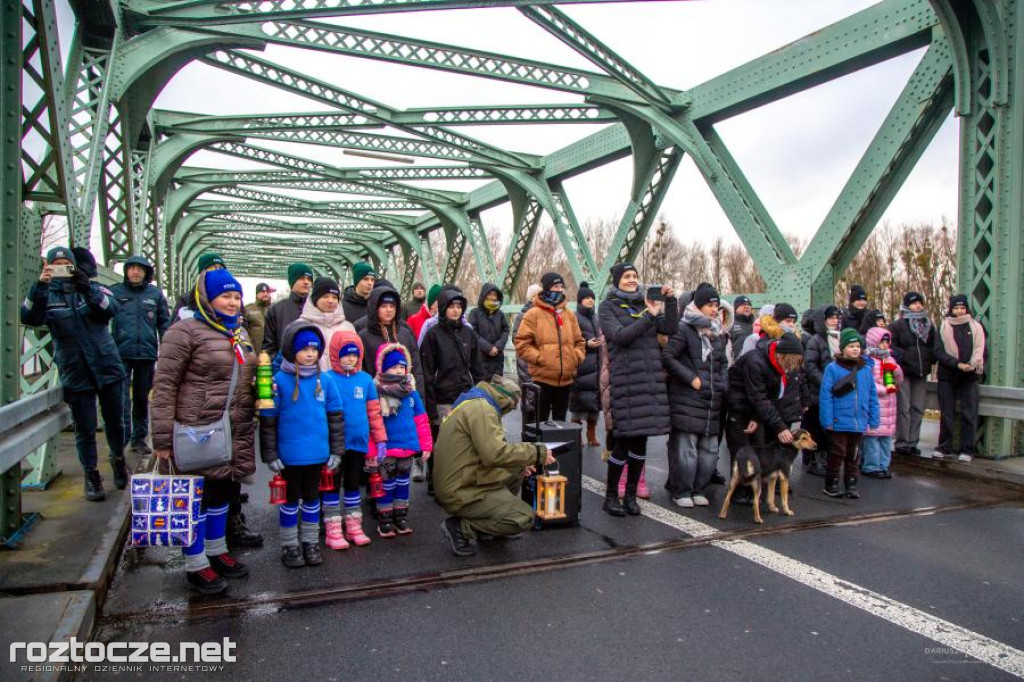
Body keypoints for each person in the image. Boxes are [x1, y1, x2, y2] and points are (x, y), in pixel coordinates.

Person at [150, 268, 256, 594]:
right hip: (196, 430)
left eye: (237, 296)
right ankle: (196, 565)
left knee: (222, 492)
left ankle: (216, 551)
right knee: (196, 498)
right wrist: (163, 440)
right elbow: (164, 387)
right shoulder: (184, 332)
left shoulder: (237, 333)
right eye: (225, 296)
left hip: (231, 429)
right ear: (207, 299)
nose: (233, 302)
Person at [21, 247, 127, 501]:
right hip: (75, 370)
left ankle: (119, 458)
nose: (61, 268)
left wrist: (85, 286)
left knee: (115, 421)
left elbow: (110, 309)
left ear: (75, 266)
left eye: (66, 263)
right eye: (56, 264)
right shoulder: (46, 294)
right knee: (85, 428)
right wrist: (40, 285)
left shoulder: (94, 288)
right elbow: (29, 318)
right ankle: (91, 475)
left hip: (107, 367)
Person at [434, 375, 557, 556]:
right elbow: (494, 453)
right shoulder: (482, 410)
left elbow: (488, 452)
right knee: (523, 518)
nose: (510, 411)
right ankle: (461, 527)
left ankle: (491, 524)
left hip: (459, 480)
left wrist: (522, 461)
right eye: (512, 406)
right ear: (506, 400)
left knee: (517, 466)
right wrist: (537, 453)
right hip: (459, 491)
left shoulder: (474, 402)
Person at [260, 321, 345, 569]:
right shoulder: (279, 380)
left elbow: (336, 417)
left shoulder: (325, 380)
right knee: (289, 502)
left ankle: (310, 542)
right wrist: (270, 454)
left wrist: (336, 451)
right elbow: (268, 420)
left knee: (311, 500)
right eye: (304, 349)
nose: (310, 354)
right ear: (290, 349)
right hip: (289, 456)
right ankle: (289, 544)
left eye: (315, 349)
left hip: (317, 454)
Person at [599, 262, 677, 517]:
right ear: (617, 280)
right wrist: (649, 316)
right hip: (626, 381)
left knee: (640, 443)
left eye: (634, 276)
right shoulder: (607, 307)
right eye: (627, 276)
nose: (632, 280)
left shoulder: (647, 305)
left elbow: (670, 329)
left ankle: (631, 495)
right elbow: (620, 336)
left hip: (649, 380)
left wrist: (671, 302)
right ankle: (611, 496)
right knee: (622, 441)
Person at [663, 285, 729, 508]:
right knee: (686, 447)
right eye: (710, 305)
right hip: (688, 398)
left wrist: (721, 384)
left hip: (711, 400)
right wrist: (691, 378)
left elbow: (723, 363)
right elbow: (669, 357)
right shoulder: (684, 329)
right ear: (698, 306)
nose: (714, 310)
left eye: (716, 306)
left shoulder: (718, 333)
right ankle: (682, 490)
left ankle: (699, 489)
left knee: (709, 449)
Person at [325, 331, 387, 548]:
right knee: (331, 486)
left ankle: (353, 526)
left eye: (354, 354)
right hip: (333, 445)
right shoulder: (327, 379)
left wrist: (380, 440)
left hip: (358, 444)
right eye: (345, 354)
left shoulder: (366, 380)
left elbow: (374, 412)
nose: (350, 359)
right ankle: (333, 529)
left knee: (353, 485)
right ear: (335, 354)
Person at [420, 288, 486, 490]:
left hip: (464, 394)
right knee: (440, 441)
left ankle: (458, 479)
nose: (456, 310)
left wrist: (481, 392)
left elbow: (477, 366)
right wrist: (430, 407)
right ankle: (435, 479)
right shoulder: (433, 335)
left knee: (463, 440)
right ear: (443, 308)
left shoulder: (469, 333)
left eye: (459, 307)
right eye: (451, 306)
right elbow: (427, 373)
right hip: (442, 396)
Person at [110, 255, 170, 455]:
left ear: (146, 273)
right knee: (121, 399)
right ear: (126, 271)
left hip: (146, 354)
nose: (135, 272)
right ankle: (122, 437)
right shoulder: (115, 292)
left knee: (142, 399)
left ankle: (139, 438)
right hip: (120, 353)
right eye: (132, 268)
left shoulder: (154, 294)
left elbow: (163, 322)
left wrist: (168, 348)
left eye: (140, 269)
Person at [372, 344, 434, 536]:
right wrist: (374, 449)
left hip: (408, 448)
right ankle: (385, 518)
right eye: (394, 367)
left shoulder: (412, 393)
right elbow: (373, 422)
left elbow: (421, 421)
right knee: (386, 484)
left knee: (403, 485)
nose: (399, 370)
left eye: (402, 367)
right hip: (388, 449)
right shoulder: (377, 391)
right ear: (383, 368)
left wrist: (426, 445)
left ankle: (401, 516)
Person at [514, 272, 585, 423]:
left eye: (561, 287)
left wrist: (575, 358)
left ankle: (558, 448)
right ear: (545, 289)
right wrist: (540, 359)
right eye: (555, 286)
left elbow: (580, 341)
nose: (559, 290)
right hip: (542, 380)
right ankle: (541, 448)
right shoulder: (533, 314)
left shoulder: (569, 315)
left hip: (565, 380)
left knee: (560, 424)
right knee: (541, 423)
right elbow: (521, 343)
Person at [819, 328, 878, 498]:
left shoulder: (865, 369)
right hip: (839, 419)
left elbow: (872, 395)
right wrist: (827, 419)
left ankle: (851, 484)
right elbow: (826, 395)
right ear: (843, 348)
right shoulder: (833, 368)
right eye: (851, 346)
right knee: (837, 453)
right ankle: (832, 483)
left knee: (854, 454)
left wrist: (873, 418)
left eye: (858, 346)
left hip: (859, 420)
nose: (855, 349)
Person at [934, 294, 987, 461]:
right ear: (951, 309)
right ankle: (944, 447)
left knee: (968, 413)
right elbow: (938, 352)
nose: (959, 311)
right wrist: (956, 364)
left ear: (966, 308)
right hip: (948, 375)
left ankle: (967, 450)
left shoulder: (976, 327)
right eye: (955, 308)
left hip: (969, 375)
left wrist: (973, 364)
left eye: (962, 308)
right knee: (947, 413)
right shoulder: (943, 327)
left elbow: (982, 350)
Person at [889, 292, 937, 457]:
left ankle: (912, 442)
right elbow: (890, 345)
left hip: (921, 372)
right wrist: (903, 357)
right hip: (903, 371)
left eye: (919, 303)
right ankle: (902, 442)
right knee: (904, 407)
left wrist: (929, 360)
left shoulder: (929, 326)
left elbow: (933, 347)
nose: (917, 306)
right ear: (907, 305)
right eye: (913, 303)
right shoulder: (897, 325)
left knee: (917, 407)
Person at [802, 304, 841, 476]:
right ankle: (813, 459)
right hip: (818, 391)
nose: (834, 321)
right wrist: (825, 383)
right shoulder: (815, 341)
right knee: (815, 426)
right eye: (831, 318)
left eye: (836, 317)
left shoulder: (839, 338)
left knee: (828, 427)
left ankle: (824, 457)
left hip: (835, 390)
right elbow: (810, 366)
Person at [862, 327, 902, 478]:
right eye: (882, 341)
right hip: (876, 403)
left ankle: (884, 465)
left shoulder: (889, 359)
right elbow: (868, 382)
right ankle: (871, 466)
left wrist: (896, 370)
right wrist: (884, 390)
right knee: (872, 438)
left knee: (885, 439)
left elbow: (899, 380)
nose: (885, 345)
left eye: (887, 341)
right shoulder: (868, 361)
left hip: (889, 405)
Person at [570, 282, 603, 447]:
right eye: (587, 298)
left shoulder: (596, 317)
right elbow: (570, 342)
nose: (591, 300)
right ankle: (577, 434)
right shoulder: (574, 317)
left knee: (595, 402)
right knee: (579, 401)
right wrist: (586, 345)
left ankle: (591, 434)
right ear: (580, 300)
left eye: (592, 298)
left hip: (597, 364)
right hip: (582, 365)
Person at [299, 276, 355, 372]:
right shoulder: (301, 326)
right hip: (311, 382)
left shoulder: (348, 328)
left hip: (341, 382)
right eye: (325, 296)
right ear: (315, 299)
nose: (331, 301)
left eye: (334, 297)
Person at [262, 262, 314, 356]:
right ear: (292, 281)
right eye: (302, 278)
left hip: (312, 368)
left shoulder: (316, 308)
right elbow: (269, 345)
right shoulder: (276, 310)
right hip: (283, 367)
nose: (306, 282)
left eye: (309, 279)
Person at [512, 283, 543, 423]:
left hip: (541, 363)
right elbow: (516, 338)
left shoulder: (544, 315)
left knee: (540, 401)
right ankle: (527, 434)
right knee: (530, 399)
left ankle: (537, 434)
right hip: (526, 362)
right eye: (538, 295)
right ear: (531, 298)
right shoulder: (522, 316)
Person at [468, 283, 510, 381]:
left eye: (495, 295)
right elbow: (472, 333)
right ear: (484, 295)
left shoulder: (500, 314)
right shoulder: (475, 313)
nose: (492, 297)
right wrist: (488, 348)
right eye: (490, 294)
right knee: (482, 388)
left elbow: (505, 330)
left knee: (497, 388)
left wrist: (498, 347)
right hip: (480, 358)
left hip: (497, 358)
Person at [172, 252, 225, 320]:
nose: (216, 271)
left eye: (220, 268)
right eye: (211, 268)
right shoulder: (187, 298)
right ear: (202, 272)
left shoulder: (232, 296)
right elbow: (175, 326)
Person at [243, 282, 275, 357]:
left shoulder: (274, 310)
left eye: (267, 292)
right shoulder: (248, 310)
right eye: (262, 292)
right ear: (256, 294)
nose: (265, 294)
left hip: (271, 355)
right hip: (253, 354)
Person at [729, 295, 754, 362]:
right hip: (737, 364)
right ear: (736, 309)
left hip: (754, 364)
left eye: (749, 304)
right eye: (743, 304)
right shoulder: (730, 324)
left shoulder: (755, 324)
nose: (747, 306)